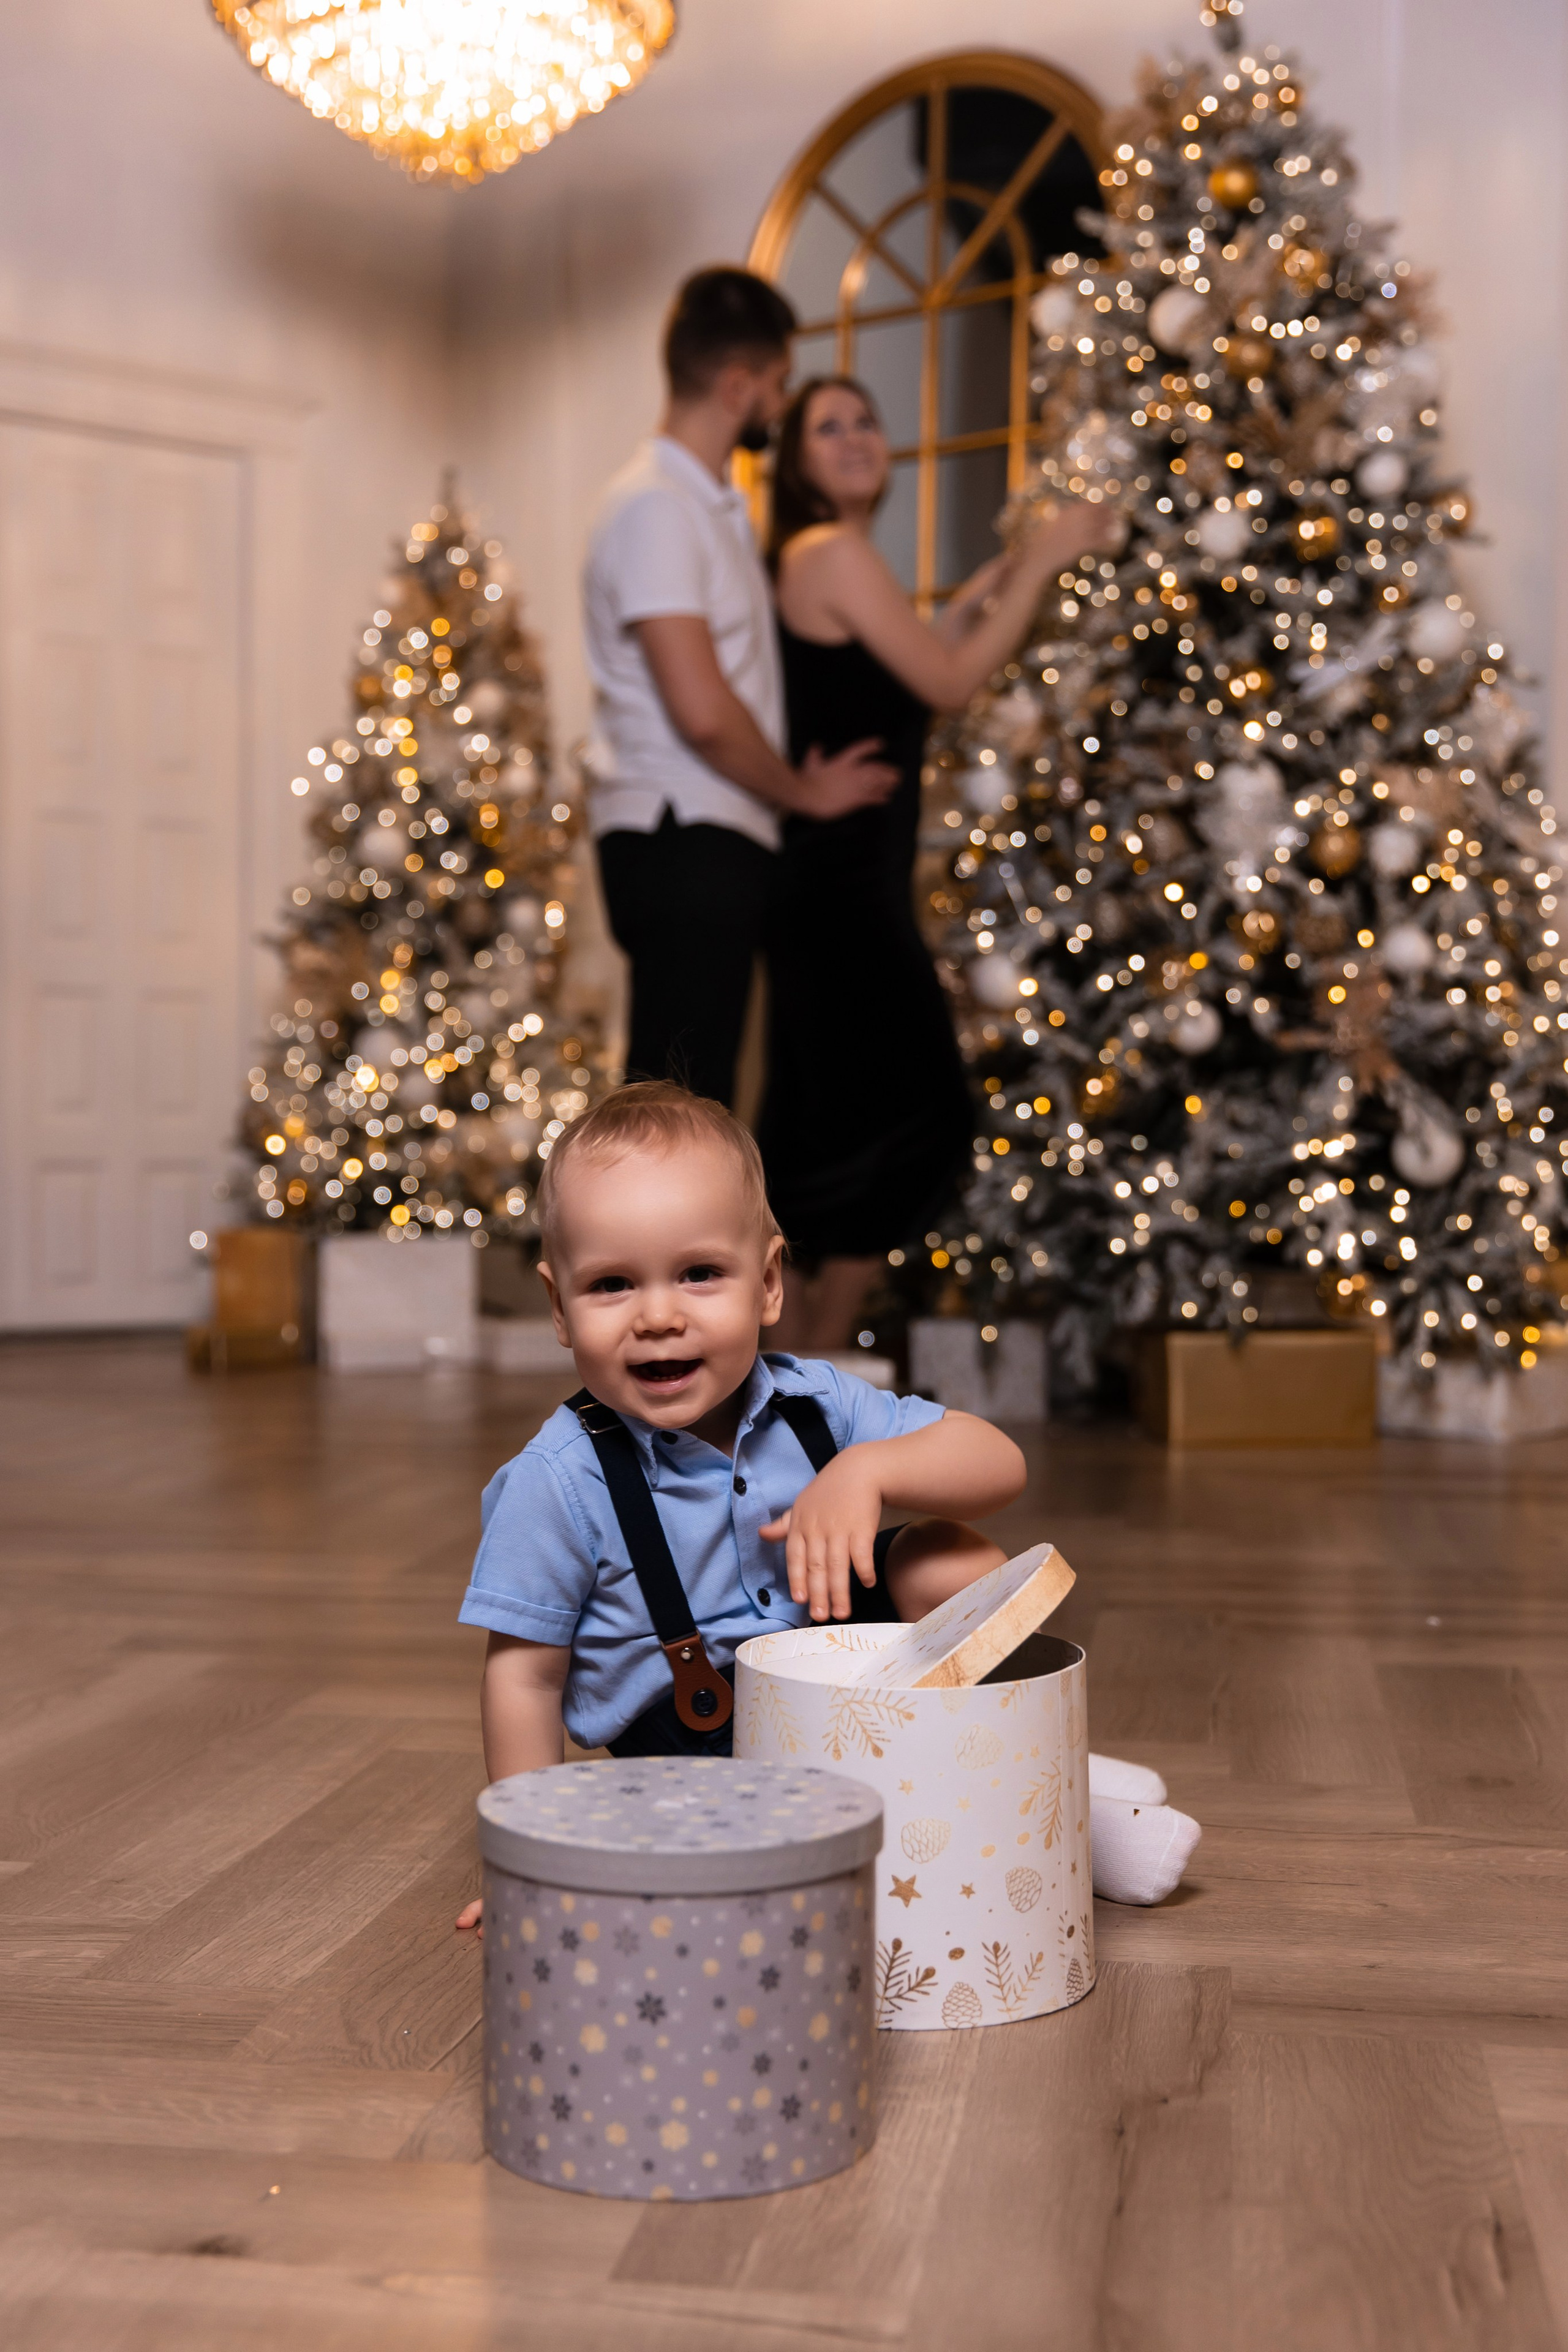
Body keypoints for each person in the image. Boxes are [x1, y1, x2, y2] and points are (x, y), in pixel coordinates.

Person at [456, 1080, 1025, 1786]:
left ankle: (998, 1782)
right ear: (559, 1306)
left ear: (767, 1284)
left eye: (699, 1274)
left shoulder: (815, 1402)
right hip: (695, 1763)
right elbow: (525, 1682)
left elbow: (999, 1463)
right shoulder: (559, 1480)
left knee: (951, 1558)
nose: (658, 1316)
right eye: (611, 1285)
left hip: (852, 1700)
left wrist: (867, 1471)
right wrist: (526, 1858)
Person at [760, 375, 1118, 1352]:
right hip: (838, 896)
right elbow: (950, 684)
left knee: (834, 1132)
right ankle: (808, 1362)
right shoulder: (829, 552)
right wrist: (1043, 561)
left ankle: (796, 1368)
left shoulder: (833, 558)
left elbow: (909, 676)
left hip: (835, 890)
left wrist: (966, 605)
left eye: (867, 419)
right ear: (792, 463)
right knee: (913, 1116)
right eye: (827, 428)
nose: (856, 438)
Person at [582, 273, 897, 1108]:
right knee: (674, 1107)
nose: (778, 402)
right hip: (681, 831)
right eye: (779, 384)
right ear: (736, 385)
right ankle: (649, 1247)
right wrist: (804, 792)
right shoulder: (656, 509)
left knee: (699, 1098)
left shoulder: (708, 508)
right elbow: (701, 708)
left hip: (710, 834)